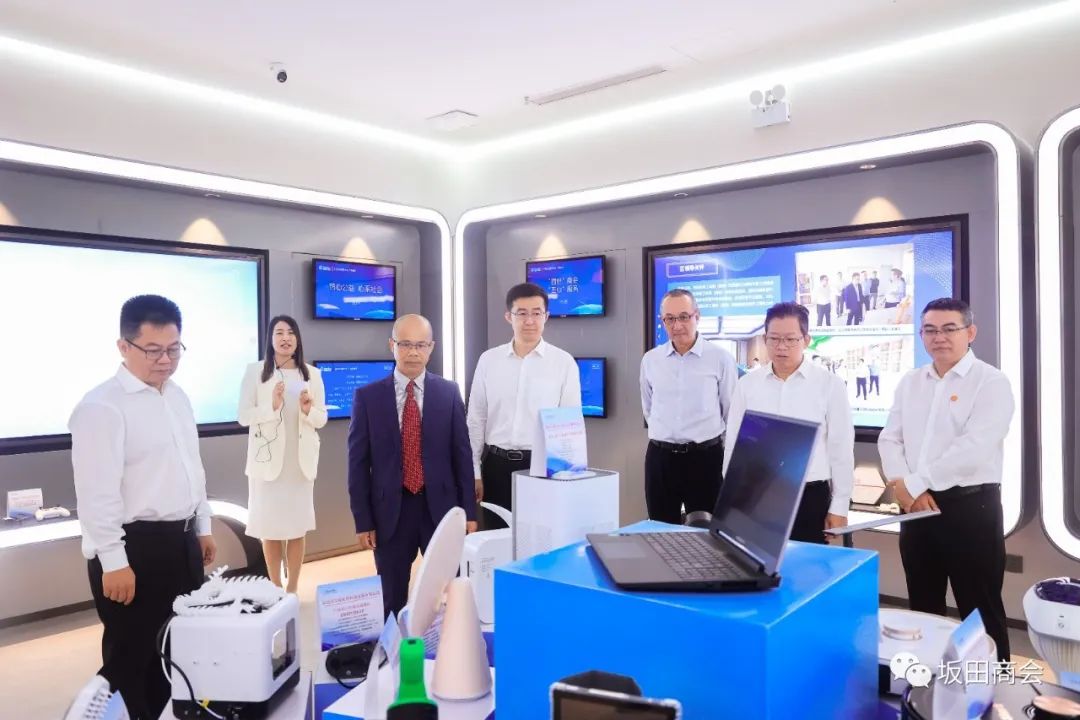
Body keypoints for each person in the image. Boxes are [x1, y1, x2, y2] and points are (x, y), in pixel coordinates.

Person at [70, 295, 217, 720]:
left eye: (174, 349)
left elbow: (192, 467)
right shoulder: (102, 406)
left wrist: (203, 525)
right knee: (134, 660)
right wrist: (114, 561)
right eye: (153, 350)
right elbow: (96, 493)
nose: (165, 360)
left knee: (181, 652)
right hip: (133, 550)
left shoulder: (178, 396)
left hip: (181, 542)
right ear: (124, 346)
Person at [878, 298, 1014, 661]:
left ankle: (994, 687)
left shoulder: (991, 382)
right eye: (930, 330)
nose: (939, 337)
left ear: (971, 332)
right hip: (916, 509)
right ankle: (928, 685)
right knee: (923, 605)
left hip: (970, 507)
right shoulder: (911, 381)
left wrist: (915, 484)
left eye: (949, 329)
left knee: (980, 609)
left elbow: (974, 448)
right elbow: (890, 438)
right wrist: (903, 484)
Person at [348, 314, 477, 619]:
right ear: (392, 345)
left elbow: (462, 456)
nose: (413, 352)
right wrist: (363, 520)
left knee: (449, 590)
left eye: (420, 345)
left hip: (441, 509)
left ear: (431, 348)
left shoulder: (448, 392)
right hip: (390, 512)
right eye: (405, 344)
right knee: (392, 593)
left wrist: (469, 513)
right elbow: (357, 464)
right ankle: (394, 648)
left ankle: (447, 646)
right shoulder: (368, 397)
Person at [724, 302, 853, 543]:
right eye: (774, 339)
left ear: (806, 340)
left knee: (807, 563)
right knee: (754, 560)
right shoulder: (747, 385)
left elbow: (841, 449)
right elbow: (733, 443)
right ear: (765, 339)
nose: (781, 346)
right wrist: (733, 496)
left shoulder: (829, 385)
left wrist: (840, 506)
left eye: (790, 339)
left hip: (809, 495)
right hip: (757, 492)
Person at [467, 282, 581, 530]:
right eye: (522, 313)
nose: (529, 321)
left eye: (536, 313)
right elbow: (476, 419)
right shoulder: (489, 360)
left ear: (546, 316)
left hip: (541, 469)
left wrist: (566, 477)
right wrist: (474, 471)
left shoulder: (563, 363)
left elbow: (570, 426)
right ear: (509, 316)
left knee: (540, 540)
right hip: (495, 466)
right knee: (497, 539)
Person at [238, 315, 327, 593]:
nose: (285, 337)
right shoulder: (256, 372)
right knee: (271, 528)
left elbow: (321, 418)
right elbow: (243, 416)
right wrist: (272, 406)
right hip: (267, 465)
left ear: (297, 338)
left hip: (299, 464)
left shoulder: (311, 374)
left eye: (290, 332)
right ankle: (275, 588)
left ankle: (293, 589)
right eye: (279, 332)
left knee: (297, 528)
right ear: (270, 338)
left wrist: (308, 410)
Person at [640, 289, 737, 524]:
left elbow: (731, 412)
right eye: (670, 319)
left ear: (697, 316)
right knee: (660, 531)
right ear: (663, 321)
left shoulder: (720, 358)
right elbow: (649, 408)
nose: (677, 325)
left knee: (707, 533)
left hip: (705, 459)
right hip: (661, 459)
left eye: (684, 317)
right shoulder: (651, 360)